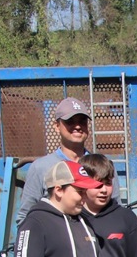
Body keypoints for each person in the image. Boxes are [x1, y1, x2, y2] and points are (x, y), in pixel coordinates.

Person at [16, 97, 94, 227]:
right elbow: (25, 217)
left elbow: (114, 211)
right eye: (70, 121)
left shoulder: (101, 166)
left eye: (82, 121)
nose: (78, 126)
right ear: (57, 126)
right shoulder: (40, 167)